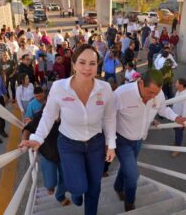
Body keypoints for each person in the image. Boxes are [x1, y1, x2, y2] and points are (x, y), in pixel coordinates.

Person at [19, 44, 116, 215]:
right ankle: (77, 194)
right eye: (82, 62)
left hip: (95, 143)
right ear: (73, 64)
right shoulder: (59, 87)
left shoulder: (105, 88)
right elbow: (48, 115)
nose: (87, 68)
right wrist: (38, 138)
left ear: (97, 65)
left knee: (95, 187)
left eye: (92, 63)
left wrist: (111, 144)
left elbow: (109, 118)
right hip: (69, 144)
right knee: (78, 186)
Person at [113, 69, 186, 211]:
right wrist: (108, 142)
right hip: (122, 140)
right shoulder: (121, 94)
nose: (152, 97)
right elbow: (109, 117)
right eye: (150, 93)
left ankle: (117, 186)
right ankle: (129, 204)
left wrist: (176, 117)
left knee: (128, 168)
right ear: (140, 83)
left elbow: (163, 109)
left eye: (156, 93)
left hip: (139, 140)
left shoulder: (158, 94)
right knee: (133, 176)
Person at [22, 109, 71, 206]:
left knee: (66, 179)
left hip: (65, 155)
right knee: (50, 181)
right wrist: (24, 140)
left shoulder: (69, 113)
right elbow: (28, 128)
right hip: (47, 154)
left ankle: (60, 196)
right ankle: (50, 186)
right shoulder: (40, 115)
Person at [171, 78, 186, 157]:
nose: (175, 84)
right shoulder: (178, 91)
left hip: (180, 119)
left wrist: (182, 120)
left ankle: (177, 149)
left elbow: (185, 110)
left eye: (176, 83)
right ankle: (176, 143)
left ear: (181, 85)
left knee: (179, 133)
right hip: (175, 116)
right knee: (176, 132)